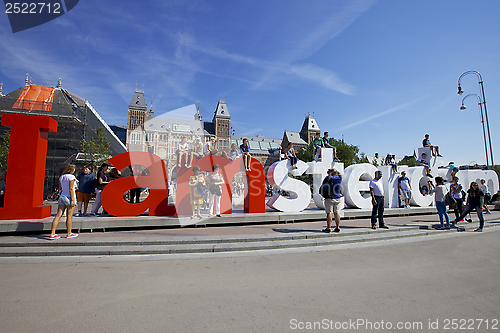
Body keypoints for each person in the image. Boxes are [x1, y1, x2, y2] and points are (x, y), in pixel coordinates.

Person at [49, 164, 78, 239]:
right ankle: (69, 233)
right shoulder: (72, 177)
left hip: (62, 196)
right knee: (69, 216)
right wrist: (72, 200)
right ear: (72, 170)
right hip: (69, 197)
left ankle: (52, 233)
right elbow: (71, 189)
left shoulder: (62, 177)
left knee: (58, 215)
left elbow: (60, 187)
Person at [321, 168, 342, 233]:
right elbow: (340, 173)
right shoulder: (339, 178)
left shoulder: (328, 178)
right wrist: (334, 170)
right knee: (337, 212)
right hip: (338, 197)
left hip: (330, 197)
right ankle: (337, 227)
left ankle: (328, 228)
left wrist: (330, 173)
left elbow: (323, 184)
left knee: (329, 213)